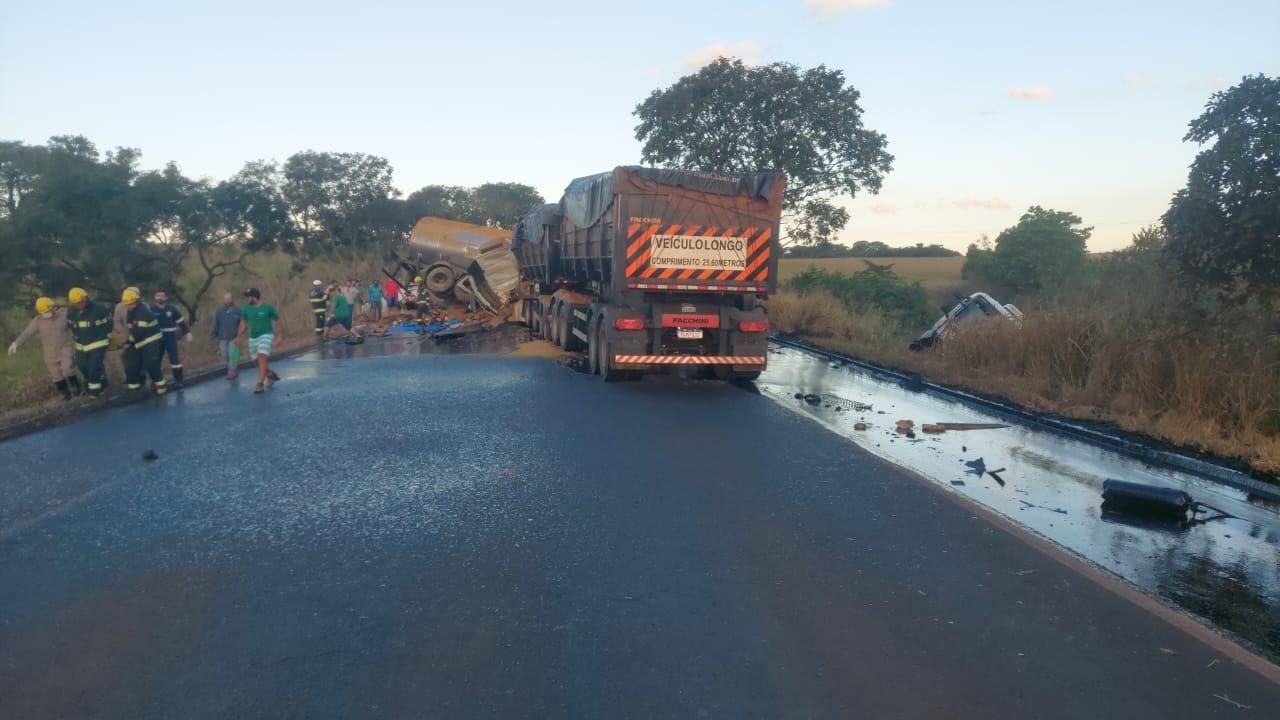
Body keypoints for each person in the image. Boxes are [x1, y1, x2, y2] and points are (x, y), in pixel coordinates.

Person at [8, 296, 80, 400]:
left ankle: (77, 390)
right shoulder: (37, 321)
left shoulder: (63, 315)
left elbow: (76, 325)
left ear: (53, 307)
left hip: (65, 348)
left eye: (49, 310)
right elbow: (26, 333)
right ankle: (65, 395)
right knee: (56, 375)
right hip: (49, 353)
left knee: (68, 369)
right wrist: (15, 344)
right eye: (45, 312)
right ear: (40, 312)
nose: (48, 314)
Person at [117, 287, 167, 396]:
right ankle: (135, 387)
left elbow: (138, 333)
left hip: (151, 340)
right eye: (127, 304)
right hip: (140, 341)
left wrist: (125, 342)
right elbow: (132, 330)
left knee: (151, 364)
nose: (128, 306)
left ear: (137, 301)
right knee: (131, 362)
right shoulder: (132, 311)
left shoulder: (142, 312)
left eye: (131, 304)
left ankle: (161, 387)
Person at [65, 288, 112, 397]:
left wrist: (108, 336)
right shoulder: (71, 312)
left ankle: (95, 392)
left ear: (86, 298)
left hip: (98, 342)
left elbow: (109, 323)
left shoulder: (99, 309)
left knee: (93, 367)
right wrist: (75, 335)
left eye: (82, 302)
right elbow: (71, 325)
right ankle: (103, 381)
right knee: (82, 366)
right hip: (81, 345)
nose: (80, 304)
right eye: (77, 303)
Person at [237, 287, 282, 394]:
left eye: (248, 297)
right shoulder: (246, 309)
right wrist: (238, 336)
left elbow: (277, 320)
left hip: (266, 335)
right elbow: (243, 323)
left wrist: (279, 336)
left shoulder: (268, 308)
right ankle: (270, 374)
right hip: (253, 337)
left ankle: (260, 384)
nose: (247, 299)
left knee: (262, 356)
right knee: (256, 361)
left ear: (255, 297)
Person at [150, 290, 191, 388]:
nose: (160, 297)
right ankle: (156, 381)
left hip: (170, 336)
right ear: (155, 297)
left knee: (174, 359)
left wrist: (188, 332)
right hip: (156, 337)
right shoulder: (151, 310)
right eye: (158, 296)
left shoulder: (172, 309)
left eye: (162, 296)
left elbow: (181, 321)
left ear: (166, 298)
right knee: (156, 359)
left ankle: (178, 381)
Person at [209, 291, 242, 379]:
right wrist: (213, 334)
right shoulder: (219, 311)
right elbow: (215, 323)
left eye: (229, 298)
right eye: (226, 299)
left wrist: (240, 335)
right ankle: (234, 368)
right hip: (222, 337)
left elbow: (243, 323)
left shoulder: (238, 310)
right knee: (225, 355)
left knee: (233, 355)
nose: (228, 300)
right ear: (224, 299)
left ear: (232, 299)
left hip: (234, 337)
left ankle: (231, 373)